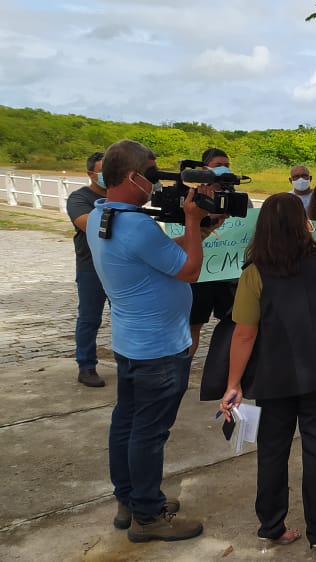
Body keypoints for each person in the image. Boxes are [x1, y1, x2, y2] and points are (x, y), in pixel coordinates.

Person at [220, 193, 316, 553]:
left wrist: (233, 383)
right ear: (305, 222)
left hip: (274, 375)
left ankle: (272, 525)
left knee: (272, 451)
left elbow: (244, 333)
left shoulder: (254, 272)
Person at [86, 139, 209, 542]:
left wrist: (203, 231)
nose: (154, 186)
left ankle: (130, 497)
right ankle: (148, 515)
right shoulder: (137, 223)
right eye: (152, 176)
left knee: (127, 422)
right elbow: (189, 271)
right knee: (149, 432)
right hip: (159, 347)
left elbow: (163, 257)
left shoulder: (101, 216)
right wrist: (192, 221)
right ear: (132, 177)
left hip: (131, 341)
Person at [67, 151, 109, 387]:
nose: (107, 176)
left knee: (125, 316)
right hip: (90, 267)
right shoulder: (78, 198)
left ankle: (128, 363)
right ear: (90, 174)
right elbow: (87, 224)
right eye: (103, 171)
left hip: (120, 267)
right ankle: (86, 366)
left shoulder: (123, 198)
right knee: (89, 318)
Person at [188, 148, 235, 357]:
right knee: (193, 326)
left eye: (227, 164)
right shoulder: (192, 197)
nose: (224, 169)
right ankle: (183, 369)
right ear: (204, 168)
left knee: (233, 324)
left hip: (229, 272)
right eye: (218, 165)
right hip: (200, 273)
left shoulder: (238, 198)